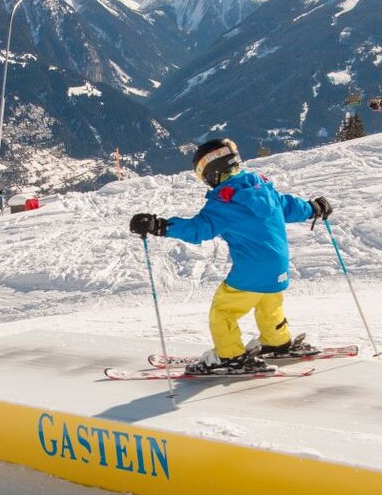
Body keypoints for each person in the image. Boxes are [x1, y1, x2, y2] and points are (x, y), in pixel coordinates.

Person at [129, 138, 332, 374]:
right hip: (279, 267)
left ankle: (230, 356)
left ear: (211, 170)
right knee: (269, 304)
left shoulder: (224, 203)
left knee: (223, 311)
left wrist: (160, 226)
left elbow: (199, 229)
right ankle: (277, 342)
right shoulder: (262, 188)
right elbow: (289, 207)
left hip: (251, 270)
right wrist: (313, 208)